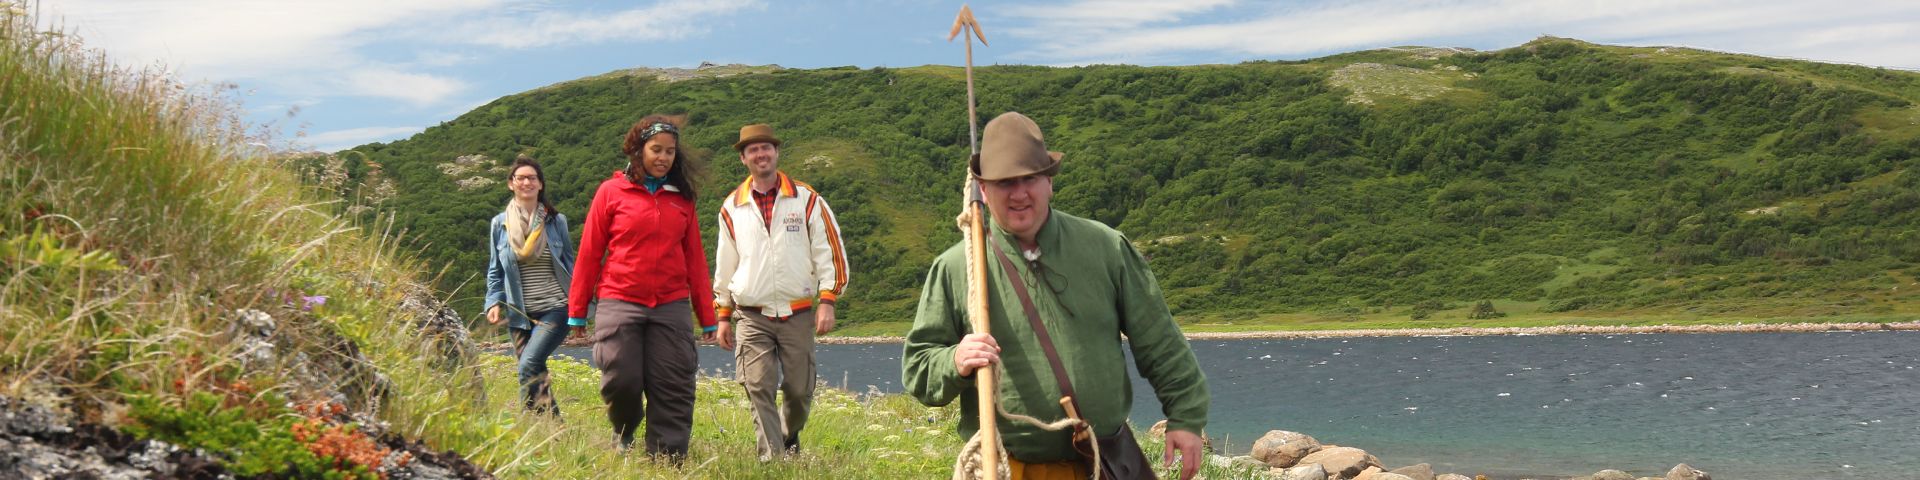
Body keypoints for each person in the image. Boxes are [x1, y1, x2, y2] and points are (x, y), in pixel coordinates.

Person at [902, 112, 1211, 480]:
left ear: (1049, 181)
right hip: (1008, 468)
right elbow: (919, 370)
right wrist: (955, 360)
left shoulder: (1106, 247)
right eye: (1004, 183)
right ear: (983, 190)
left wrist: (1186, 418)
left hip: (1103, 464)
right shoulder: (956, 267)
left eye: (1029, 179)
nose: (1019, 194)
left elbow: (1159, 341)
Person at [566, 114, 719, 459]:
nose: (663, 157)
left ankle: (667, 461)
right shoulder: (611, 191)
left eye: (669, 152)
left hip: (672, 303)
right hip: (620, 299)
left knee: (674, 385)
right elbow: (590, 253)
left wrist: (707, 317)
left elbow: (695, 259)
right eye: (656, 150)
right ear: (639, 149)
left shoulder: (682, 198)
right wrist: (576, 312)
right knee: (622, 379)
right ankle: (625, 428)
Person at [711, 124, 850, 460]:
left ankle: (787, 437)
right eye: (753, 150)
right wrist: (723, 314)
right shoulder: (732, 207)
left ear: (776, 152)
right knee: (757, 386)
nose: (761, 154)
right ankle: (772, 461)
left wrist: (828, 299)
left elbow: (829, 253)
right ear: (744, 158)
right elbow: (725, 264)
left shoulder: (807, 199)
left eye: (766, 148)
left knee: (800, 392)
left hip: (798, 310)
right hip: (751, 314)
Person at [483, 155, 576, 417]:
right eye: (520, 178)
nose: (526, 182)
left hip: (556, 307)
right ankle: (553, 430)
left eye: (532, 178)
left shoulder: (556, 222)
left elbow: (571, 264)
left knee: (529, 364)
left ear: (540, 184)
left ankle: (528, 424)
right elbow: (495, 269)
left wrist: (580, 307)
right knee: (534, 372)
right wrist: (493, 302)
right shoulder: (499, 224)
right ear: (510, 184)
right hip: (520, 313)